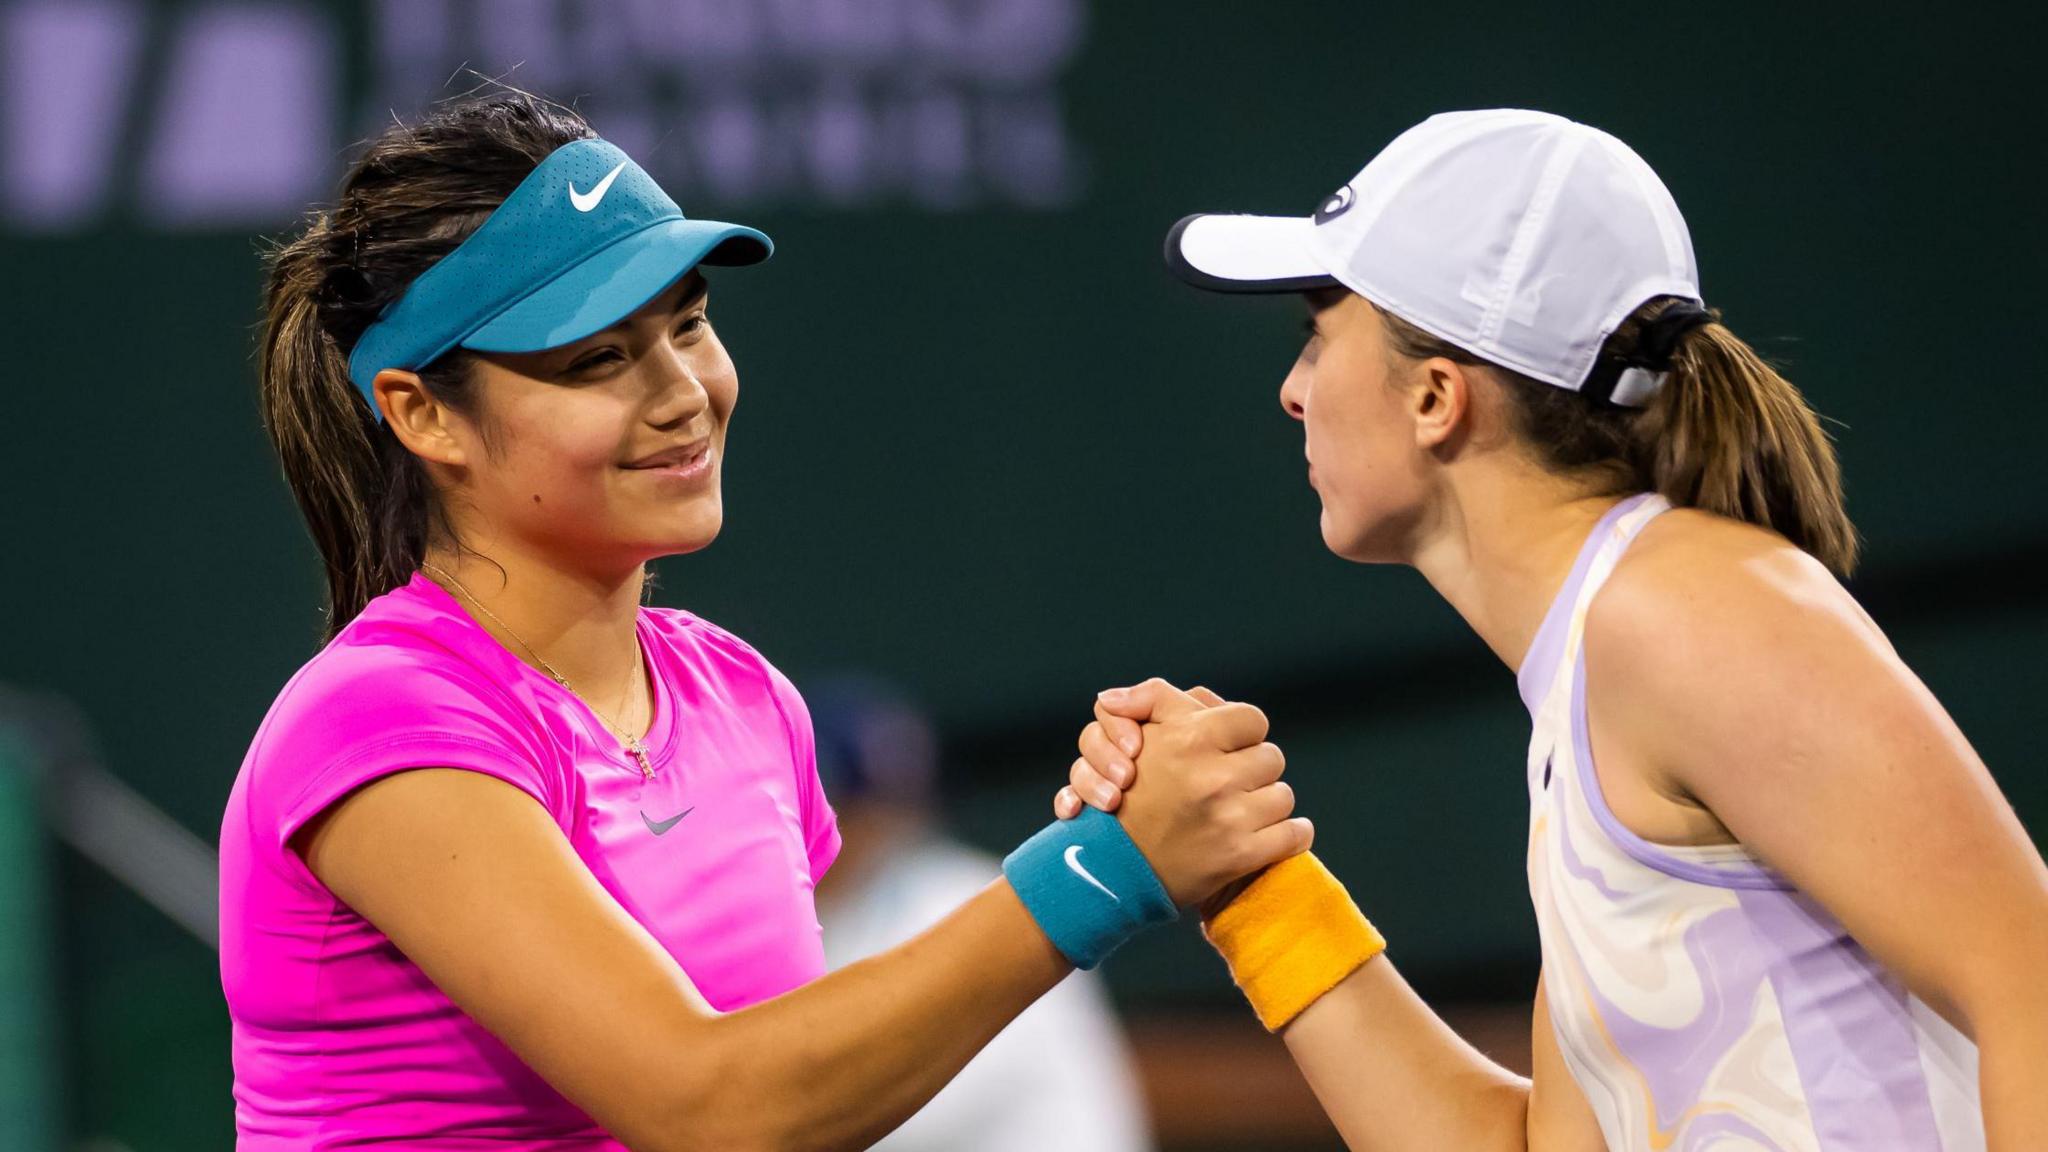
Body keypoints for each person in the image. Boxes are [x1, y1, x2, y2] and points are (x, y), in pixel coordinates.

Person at [217, 91, 1313, 1151]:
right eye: (597, 357)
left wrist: (1121, 811)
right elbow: (715, 1111)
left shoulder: (740, 696)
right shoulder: (379, 718)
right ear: (421, 413)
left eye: (687, 324)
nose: (680, 391)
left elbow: (814, 1086)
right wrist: (1103, 866)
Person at [1061, 109, 2048, 1151]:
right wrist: (1247, 885)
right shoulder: (1603, 657)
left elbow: (2029, 980)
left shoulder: (1683, 611)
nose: (1291, 391)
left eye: (1316, 335)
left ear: (1436, 396)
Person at [807, 676, 1155, 1152]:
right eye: (834, 804)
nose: (859, 826)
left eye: (866, 808)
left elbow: (880, 1110)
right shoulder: (809, 912)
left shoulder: (971, 896)